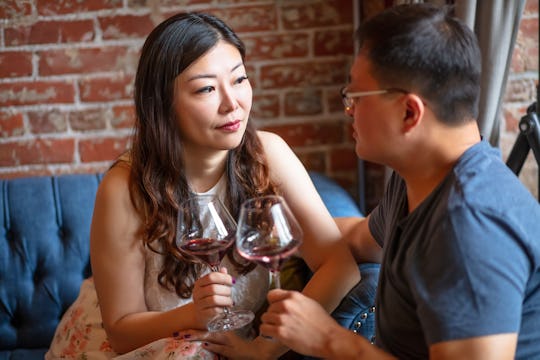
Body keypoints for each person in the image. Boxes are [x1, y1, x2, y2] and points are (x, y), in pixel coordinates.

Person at [45, 12, 360, 360]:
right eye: (207, 88)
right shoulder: (124, 186)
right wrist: (193, 314)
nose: (232, 103)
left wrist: (265, 350)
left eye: (239, 80)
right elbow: (120, 332)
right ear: (163, 104)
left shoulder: (268, 155)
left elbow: (340, 266)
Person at [260, 3, 540, 359]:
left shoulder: (470, 225)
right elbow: (359, 237)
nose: (349, 111)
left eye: (355, 97)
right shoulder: (418, 177)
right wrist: (281, 235)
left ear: (409, 112)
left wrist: (330, 340)